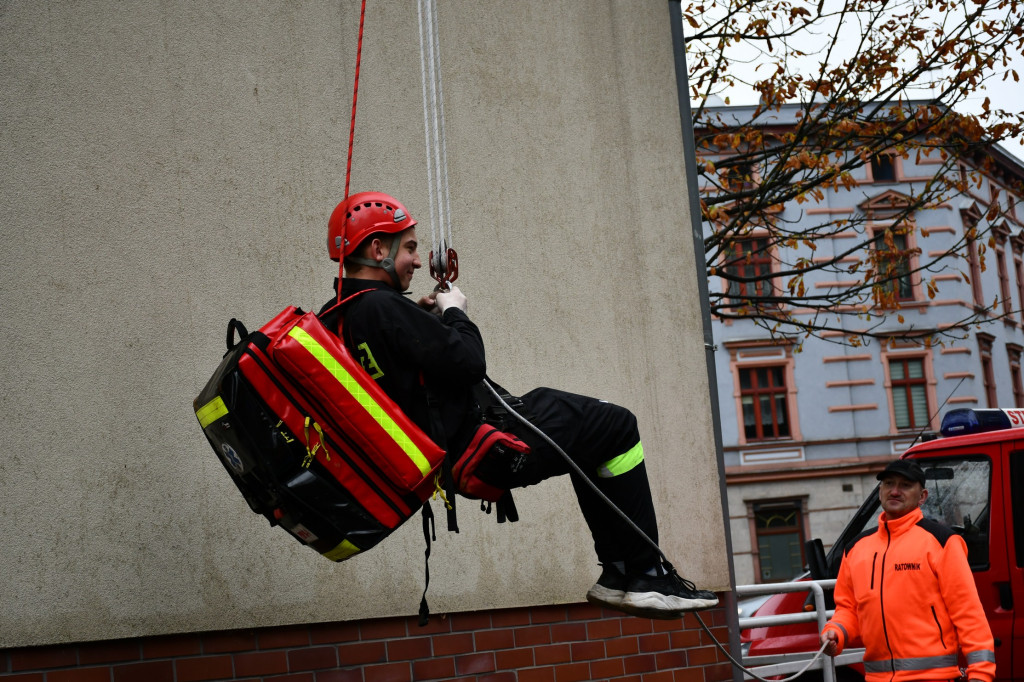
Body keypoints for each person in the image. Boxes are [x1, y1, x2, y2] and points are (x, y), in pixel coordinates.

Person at [320, 191, 718, 618]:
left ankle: (620, 574)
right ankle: (645, 574)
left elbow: (395, 366)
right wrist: (456, 312)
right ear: (378, 249)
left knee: (591, 432)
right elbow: (470, 363)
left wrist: (421, 322)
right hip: (484, 442)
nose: (417, 261)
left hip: (453, 455)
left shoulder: (338, 315)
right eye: (411, 247)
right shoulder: (383, 307)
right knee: (617, 426)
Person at [819, 459, 996, 682]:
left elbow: (968, 613)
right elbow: (848, 608)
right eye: (888, 484)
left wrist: (981, 674)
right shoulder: (855, 547)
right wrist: (836, 631)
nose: (895, 491)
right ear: (880, 491)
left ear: (922, 496)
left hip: (934, 678)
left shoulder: (942, 542)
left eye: (905, 485)